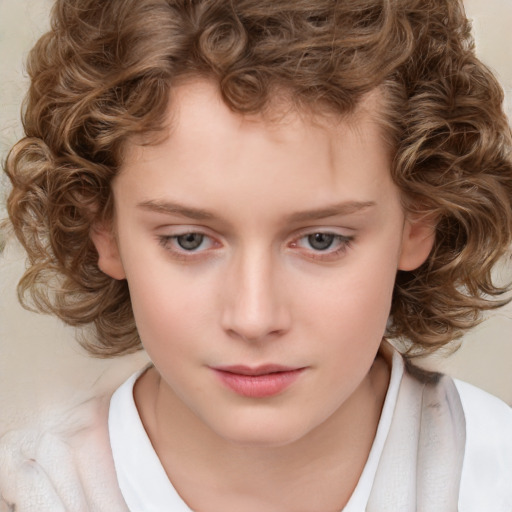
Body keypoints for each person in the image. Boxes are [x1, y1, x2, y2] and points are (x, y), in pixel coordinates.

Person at [2, 0, 512, 510]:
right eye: (189, 240)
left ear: (417, 222)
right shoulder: (32, 494)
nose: (254, 317)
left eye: (321, 240)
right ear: (105, 231)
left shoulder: (496, 476)